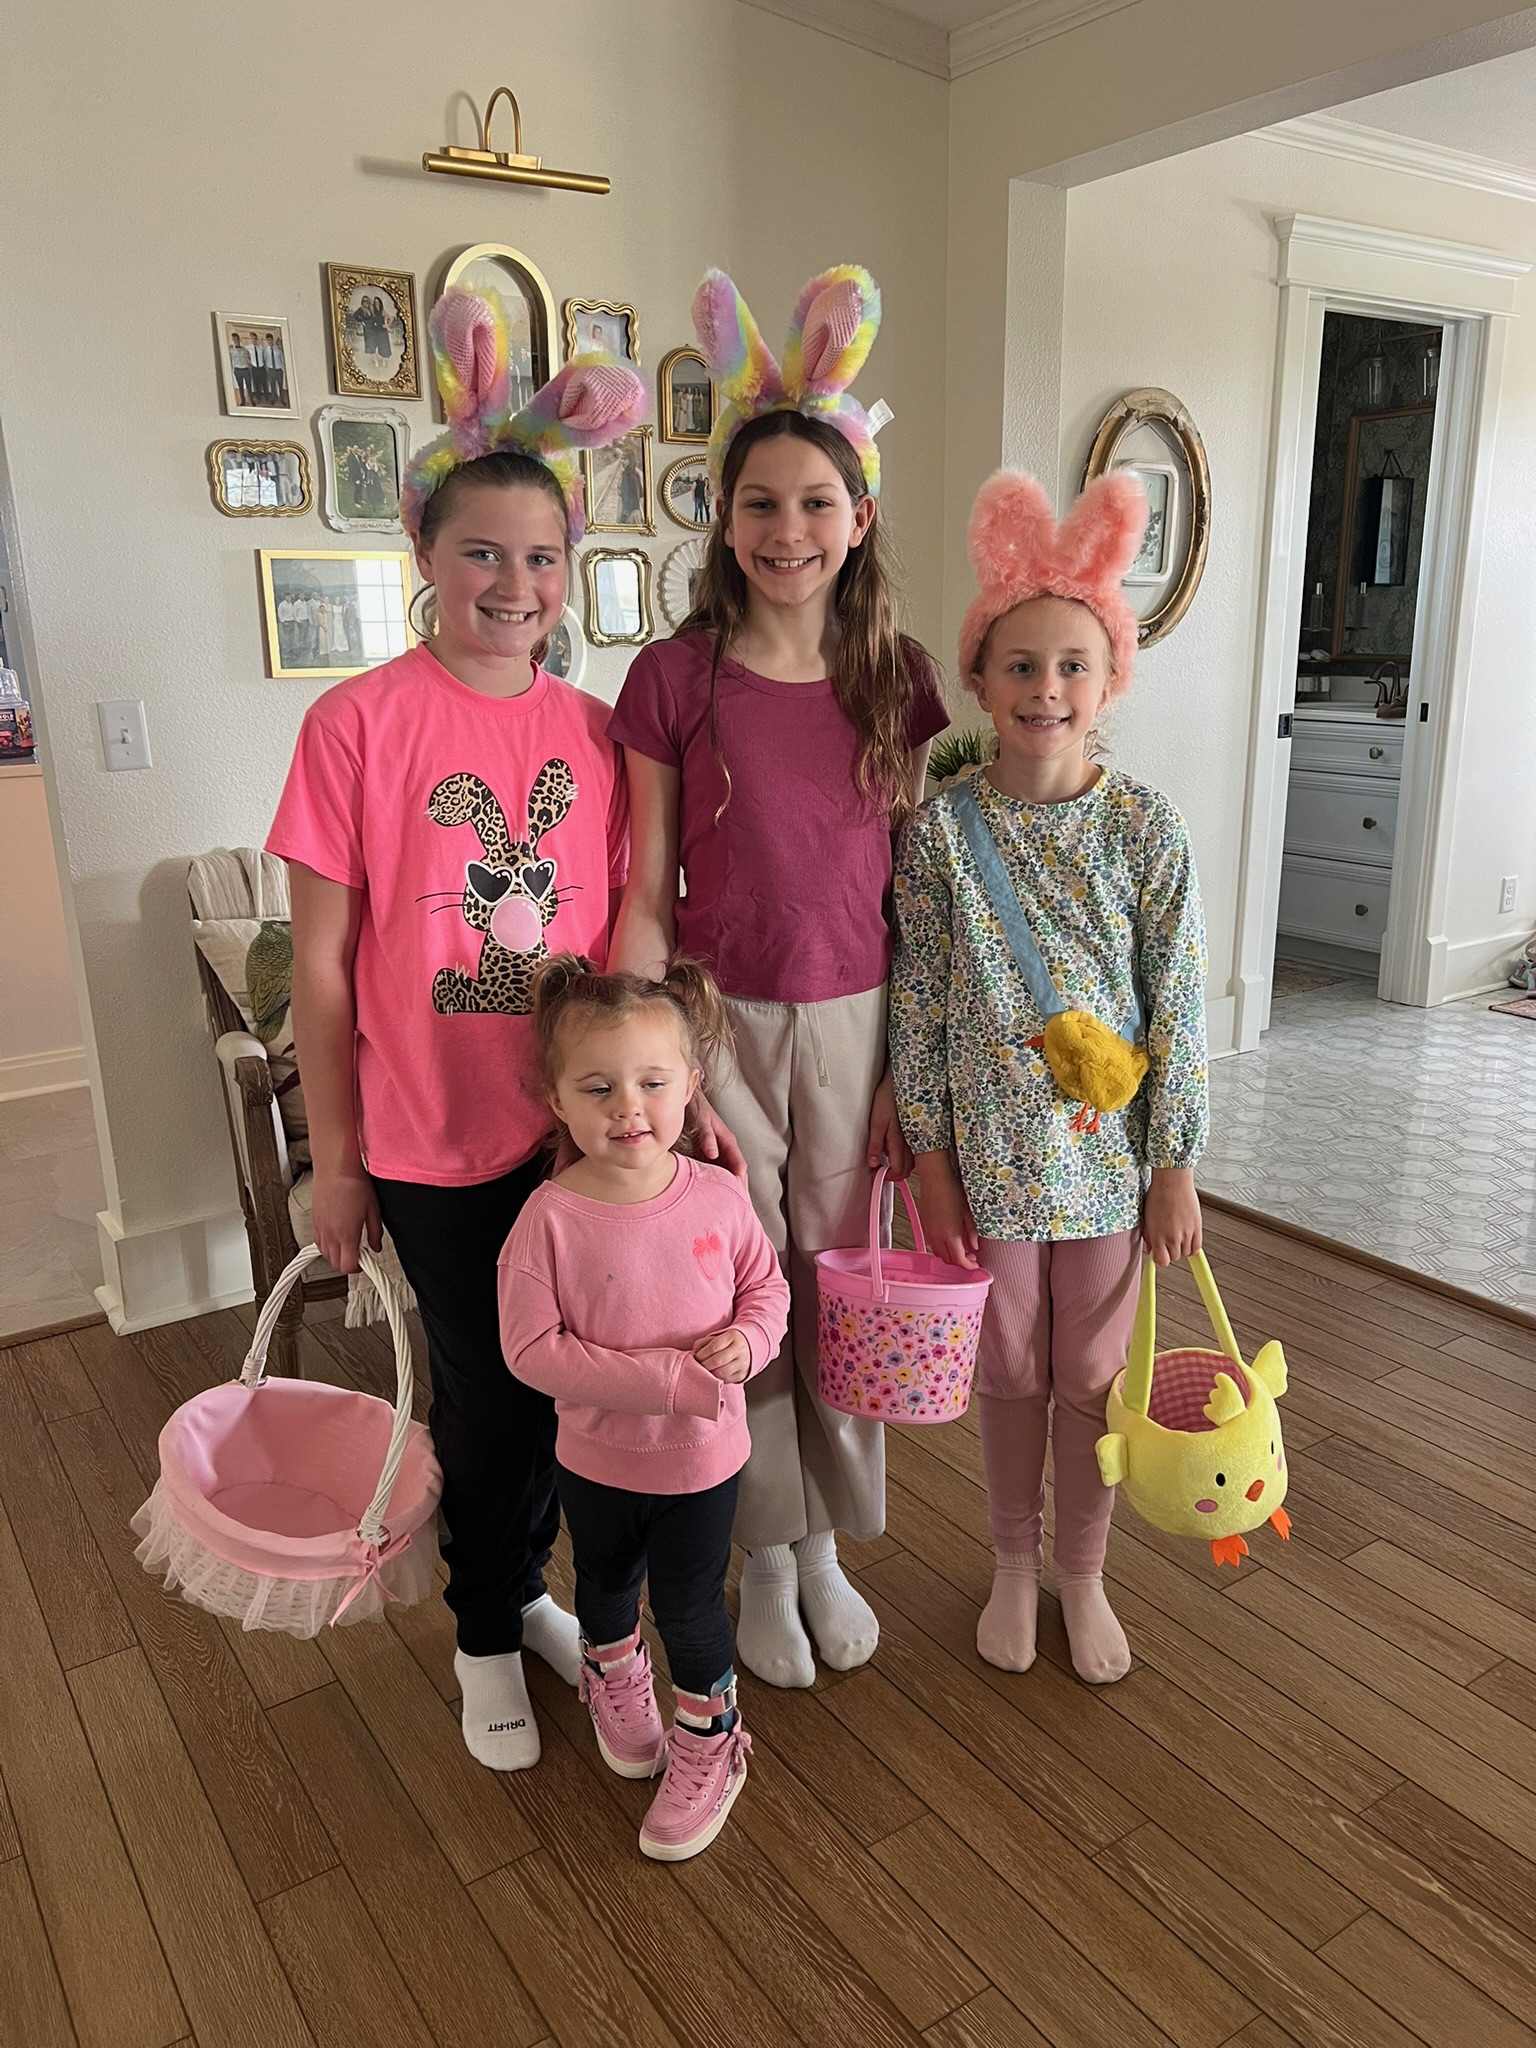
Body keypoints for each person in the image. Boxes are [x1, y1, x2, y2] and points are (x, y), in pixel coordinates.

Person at [267, 288, 647, 1770]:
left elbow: (620, 943)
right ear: (423, 552)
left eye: (542, 557)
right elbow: (320, 970)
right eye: (482, 551)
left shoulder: (596, 734)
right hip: (432, 1141)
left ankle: (535, 1595)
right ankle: (487, 1625)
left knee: (571, 1389)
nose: (514, 582)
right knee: (491, 1400)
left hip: (576, 1136)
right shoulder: (355, 726)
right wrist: (336, 1157)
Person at [608, 266, 948, 1689]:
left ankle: (823, 1549)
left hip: (860, 1024)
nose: (787, 529)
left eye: (815, 503)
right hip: (715, 1024)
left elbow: (918, 901)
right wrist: (647, 1074)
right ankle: (760, 1549)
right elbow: (645, 890)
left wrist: (910, 1083)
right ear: (723, 517)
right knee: (733, 1287)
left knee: (835, 1278)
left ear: (858, 517)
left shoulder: (898, 678)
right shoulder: (673, 679)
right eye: (760, 503)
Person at [889, 469, 1209, 1687]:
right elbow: (920, 1006)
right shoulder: (938, 834)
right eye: (1020, 665)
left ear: (1108, 678)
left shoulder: (1146, 829)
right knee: (1011, 1367)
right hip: (989, 1165)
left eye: (1073, 664)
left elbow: (1177, 1004)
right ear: (979, 678)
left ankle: (1084, 1569)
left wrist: (1175, 1163)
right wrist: (930, 1161)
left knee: (1091, 1373)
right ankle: (1012, 1564)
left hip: (1110, 1168)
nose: (1046, 688)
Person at [501, 957, 790, 1859]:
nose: (629, 1108)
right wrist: (667, 1380)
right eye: (599, 1088)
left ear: (691, 1086)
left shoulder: (718, 1195)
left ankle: (712, 1741)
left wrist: (751, 1341)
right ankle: (613, 1676)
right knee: (603, 1583)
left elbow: (767, 1289)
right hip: (595, 1462)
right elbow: (530, 1351)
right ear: (556, 1098)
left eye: (652, 1084)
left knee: (692, 1607)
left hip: (703, 1462)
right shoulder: (547, 1219)